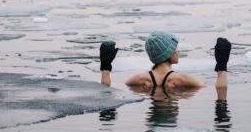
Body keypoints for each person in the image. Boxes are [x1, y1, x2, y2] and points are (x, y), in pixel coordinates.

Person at [98, 30, 231, 92]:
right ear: (168, 53)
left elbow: (106, 89)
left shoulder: (139, 79)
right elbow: (221, 90)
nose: (177, 51)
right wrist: (222, 66)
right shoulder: (182, 79)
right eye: (175, 48)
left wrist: (105, 67)